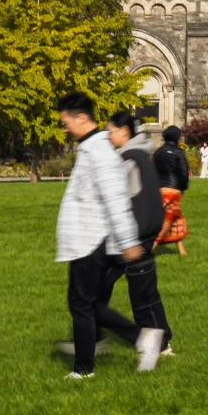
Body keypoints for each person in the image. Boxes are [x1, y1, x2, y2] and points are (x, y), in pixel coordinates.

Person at [52, 92, 159, 379]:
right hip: (86, 238)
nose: (64, 127)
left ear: (82, 118)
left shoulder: (100, 153)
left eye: (65, 121)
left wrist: (127, 242)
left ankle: (86, 367)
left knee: (81, 304)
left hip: (92, 239)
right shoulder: (91, 149)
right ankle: (138, 339)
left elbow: (116, 200)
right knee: (87, 304)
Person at [105, 111, 172, 363]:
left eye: (109, 131)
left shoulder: (128, 160)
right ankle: (161, 341)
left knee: (139, 295)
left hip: (130, 238)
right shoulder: (143, 155)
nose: (107, 136)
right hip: (143, 234)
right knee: (145, 293)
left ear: (124, 131)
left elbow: (121, 201)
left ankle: (157, 343)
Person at [152, 125, 191, 257]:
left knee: (176, 219)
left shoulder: (158, 152)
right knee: (167, 222)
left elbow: (153, 170)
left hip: (159, 189)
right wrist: (183, 187)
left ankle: (182, 251)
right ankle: (149, 249)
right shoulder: (179, 153)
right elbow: (184, 173)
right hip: (173, 190)